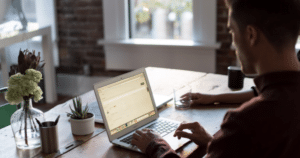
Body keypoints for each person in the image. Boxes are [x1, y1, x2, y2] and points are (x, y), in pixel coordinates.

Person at [131, 0, 300, 157]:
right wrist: (217, 144)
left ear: (251, 35)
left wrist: (156, 146)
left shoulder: (246, 122)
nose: (233, 45)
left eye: (232, 31)